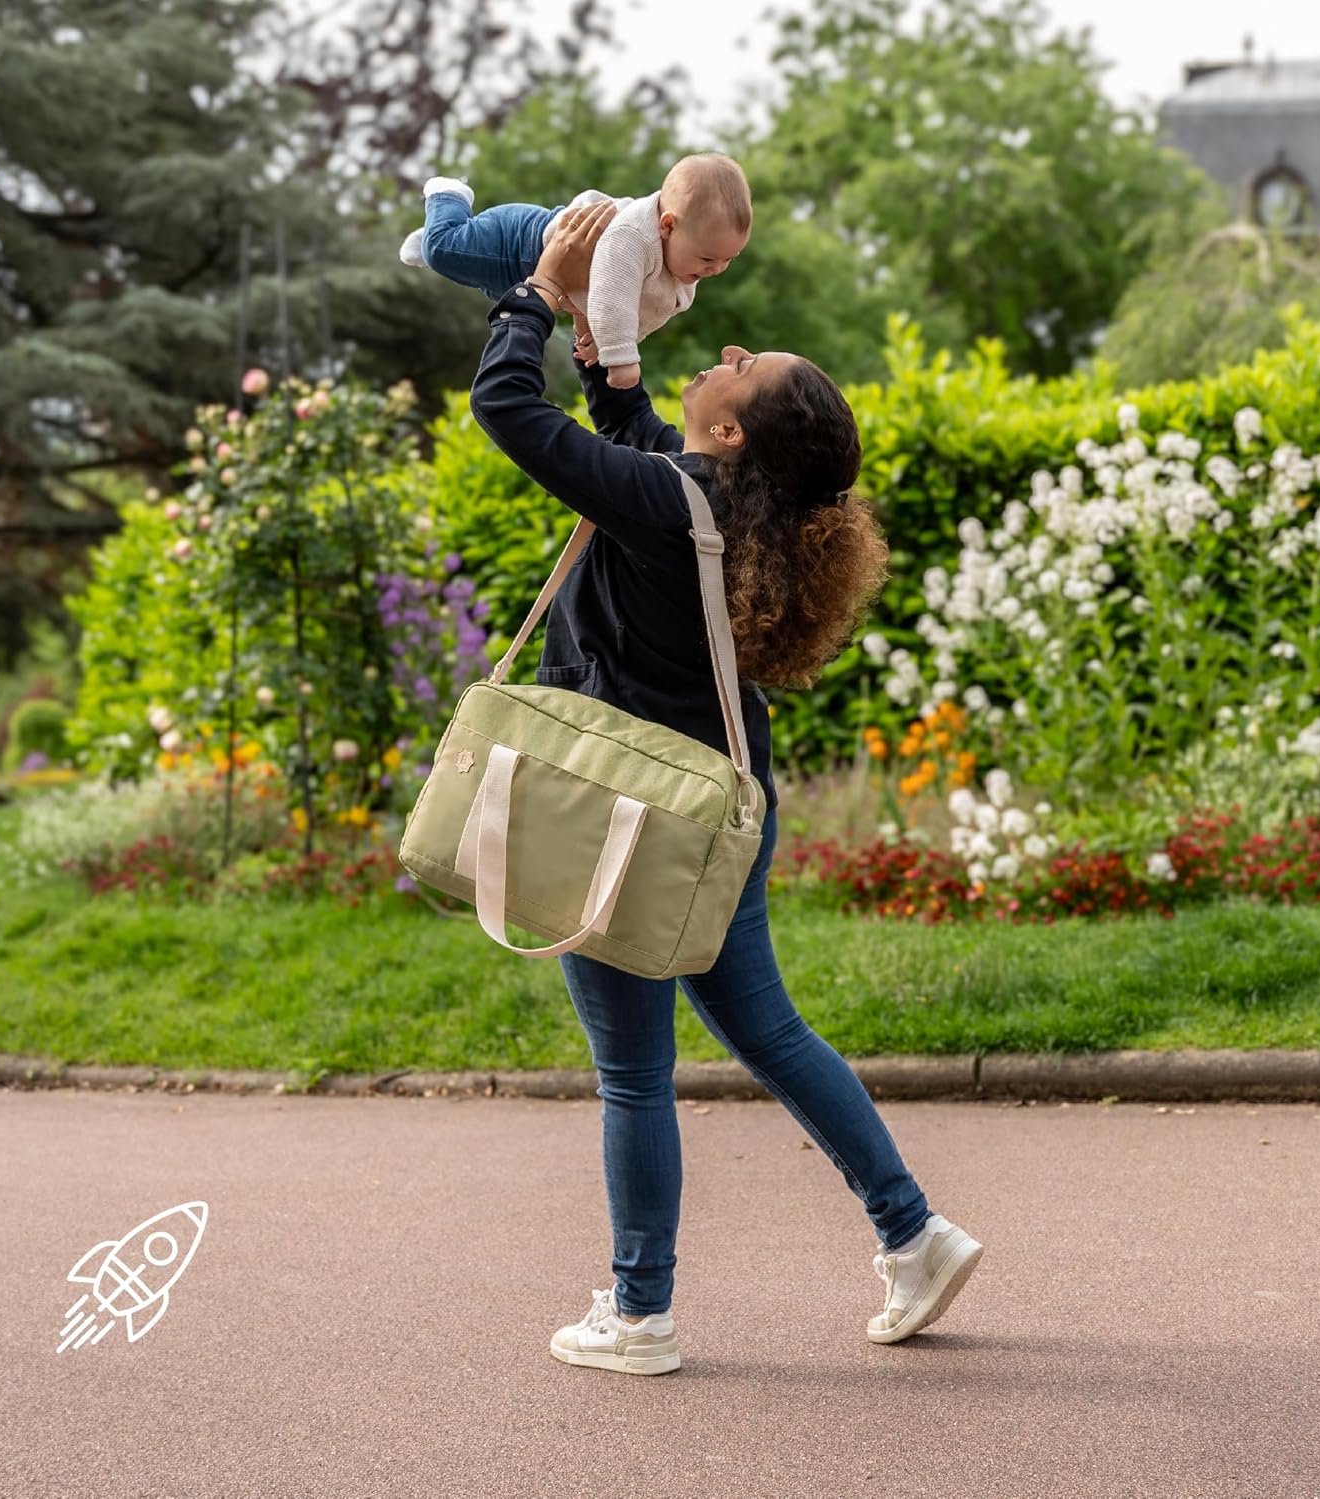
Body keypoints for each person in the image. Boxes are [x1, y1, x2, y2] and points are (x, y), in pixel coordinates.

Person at [466, 201, 983, 1376]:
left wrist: (539, 294)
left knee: (634, 1070)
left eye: (751, 371)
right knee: (770, 1029)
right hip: (719, 807)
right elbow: (633, 434)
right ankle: (915, 1231)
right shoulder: (710, 505)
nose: (735, 352)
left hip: (625, 812)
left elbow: (509, 410)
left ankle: (640, 1314)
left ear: (738, 436)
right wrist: (611, 353)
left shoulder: (667, 506)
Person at [401, 153, 751, 390]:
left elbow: (643, 310)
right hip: (521, 243)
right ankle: (448, 197)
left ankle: (441, 235)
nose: (717, 269)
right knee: (443, 250)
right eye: (708, 259)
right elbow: (612, 298)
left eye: (728, 260)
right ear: (667, 225)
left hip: (537, 278)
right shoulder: (632, 237)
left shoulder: (680, 263)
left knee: (472, 274)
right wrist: (620, 358)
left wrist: (597, 340)